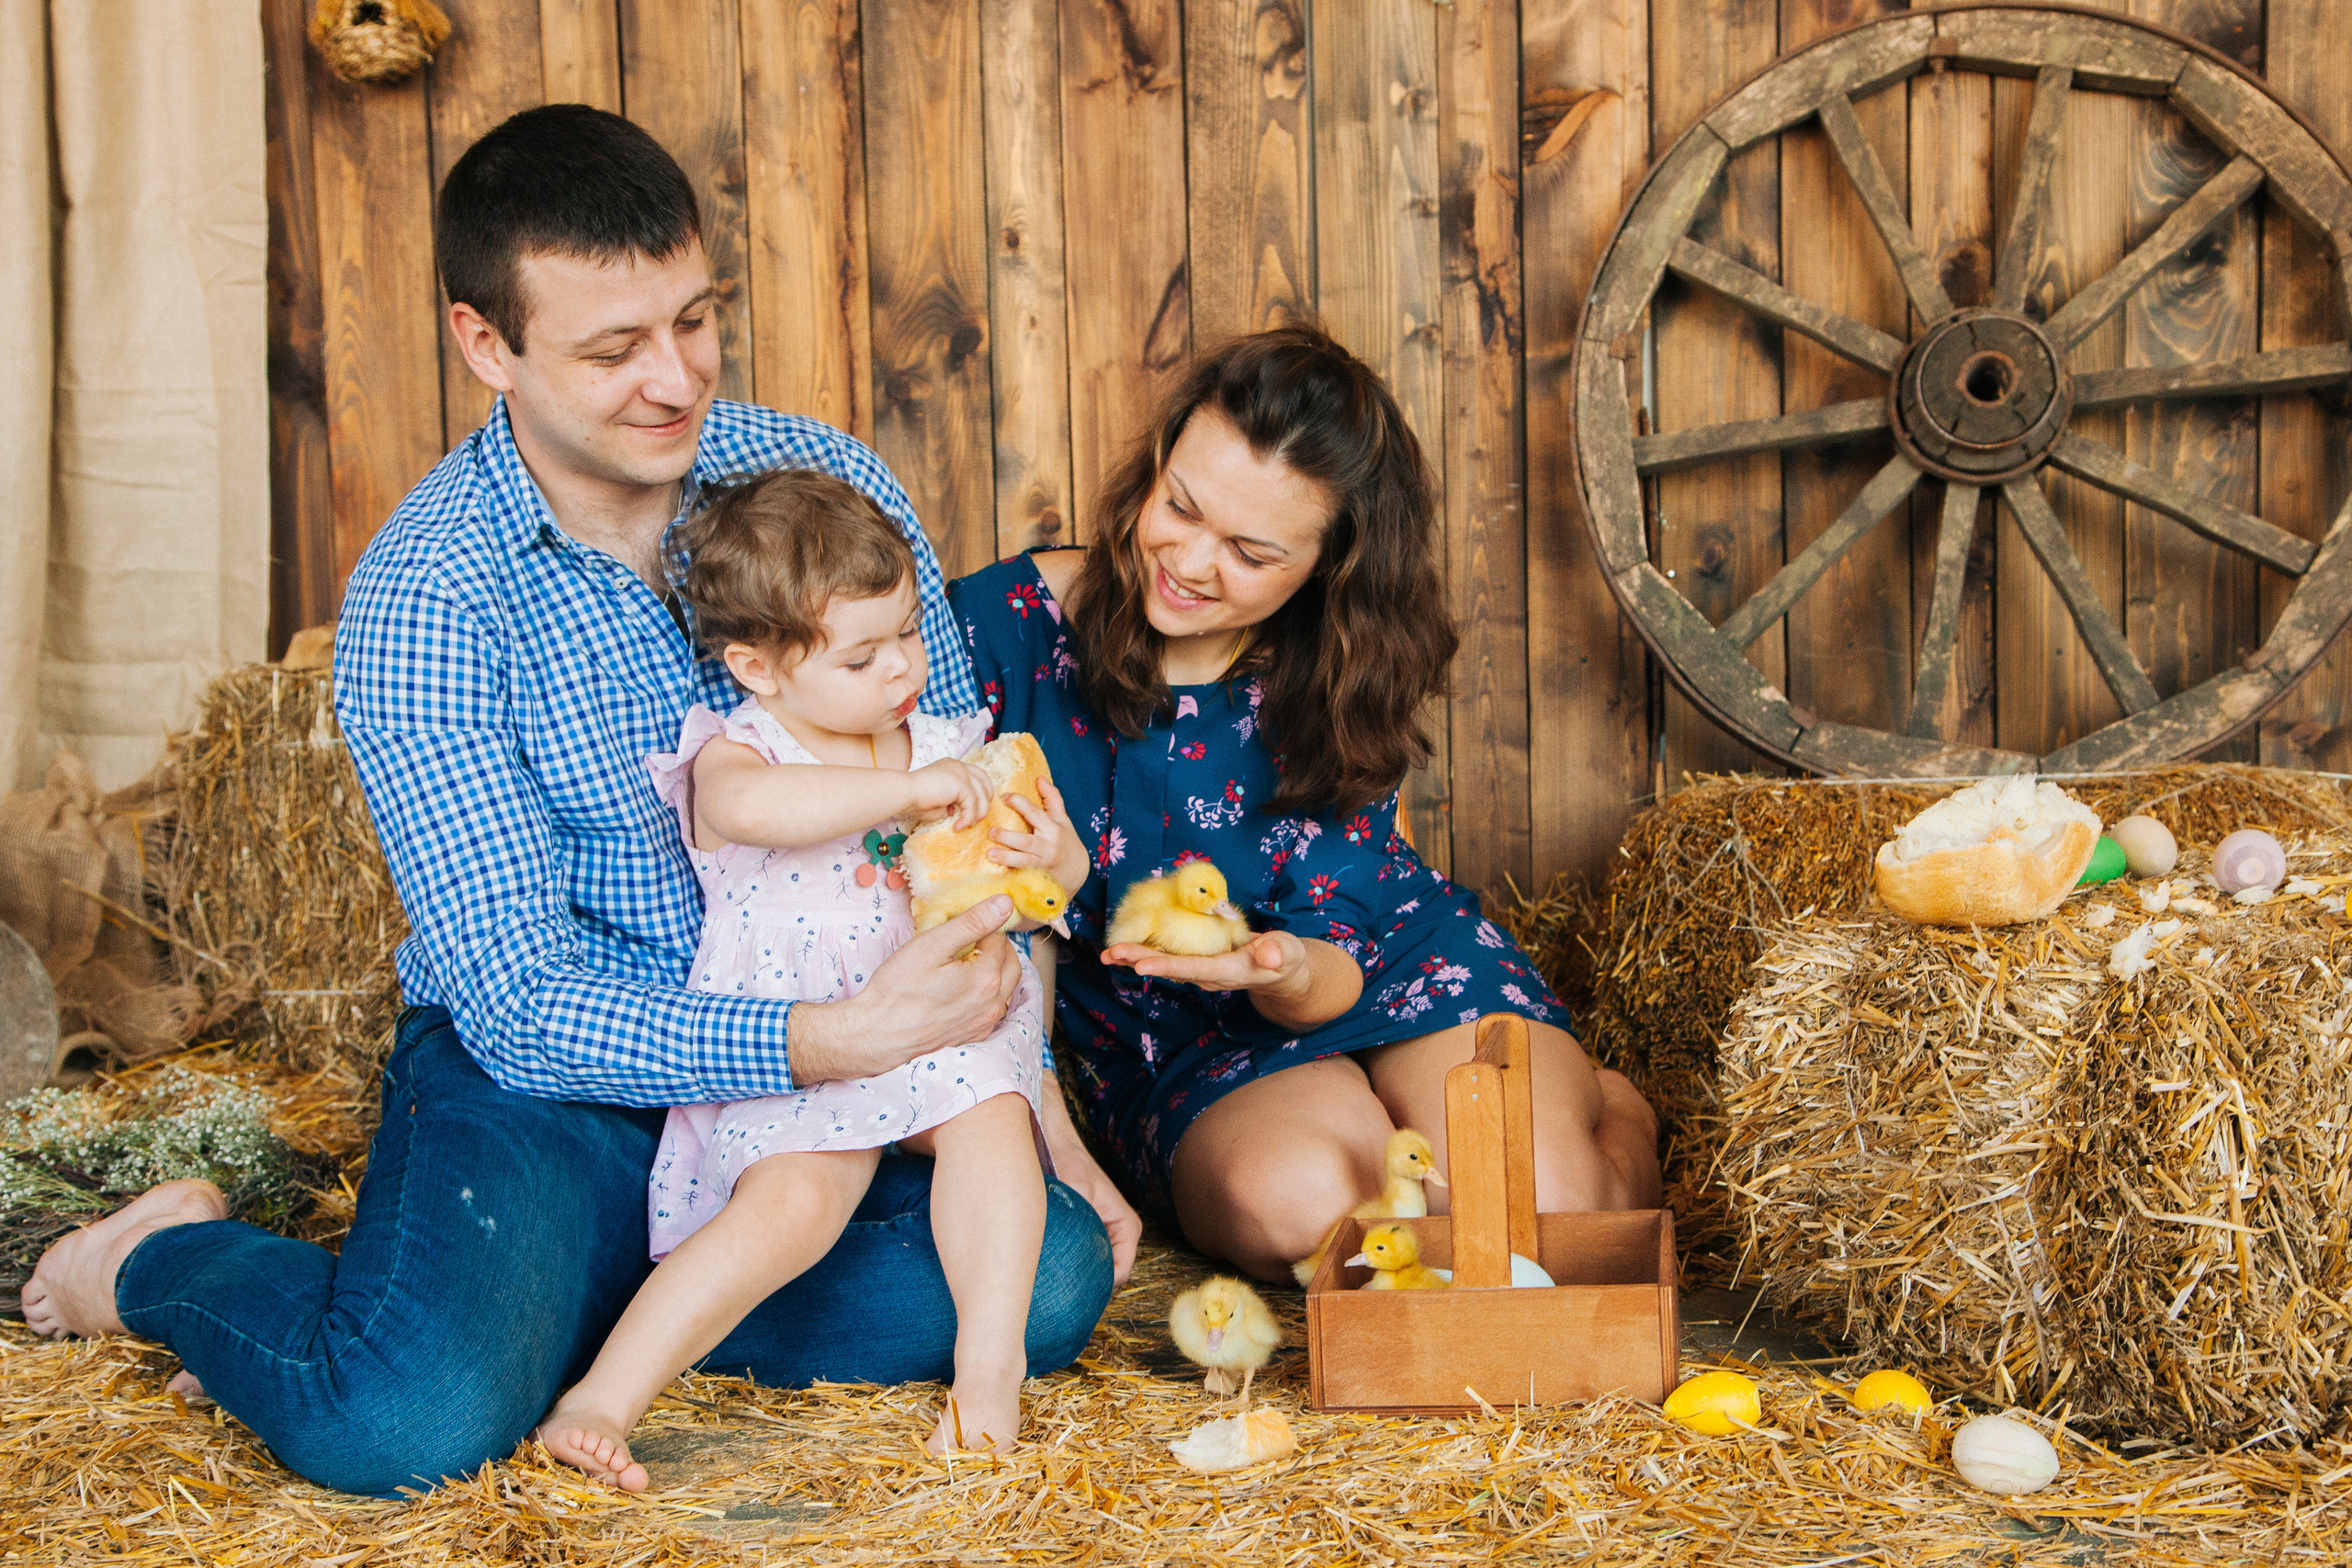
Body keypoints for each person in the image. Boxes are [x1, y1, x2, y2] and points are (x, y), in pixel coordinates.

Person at [20, 105, 1136, 1497]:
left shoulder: (831, 480)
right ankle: (163, 1255)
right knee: (401, 1423)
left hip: (842, 1076)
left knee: (1050, 1287)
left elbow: (964, 816)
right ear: (487, 344)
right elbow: (516, 992)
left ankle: (555, 1315)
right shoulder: (430, 595)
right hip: (560, 1078)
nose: (674, 380)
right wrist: (822, 1039)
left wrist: (1038, 1094)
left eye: (695, 319)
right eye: (612, 350)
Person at [950, 324, 1661, 1283]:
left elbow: (1339, 959)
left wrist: (1276, 968)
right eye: (1180, 505)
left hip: (1370, 963)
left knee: (1549, 1223)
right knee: (1331, 1219)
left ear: (1332, 565)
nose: (1191, 563)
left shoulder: (1339, 669)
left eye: (1249, 551)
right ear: (1159, 463)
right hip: (1180, 1033)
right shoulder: (1002, 629)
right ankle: (1435, 1120)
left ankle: (1606, 1114)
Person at [537, 468, 1090, 1486]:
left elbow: (1053, 884)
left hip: (946, 1020)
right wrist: (910, 790)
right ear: (757, 666)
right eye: (861, 655)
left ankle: (987, 1374)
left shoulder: (949, 741)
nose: (901, 671)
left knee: (991, 1124)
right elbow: (756, 815)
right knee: (789, 1208)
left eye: (911, 635)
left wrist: (1053, 857)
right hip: (808, 1033)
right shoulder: (740, 754)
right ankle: (603, 1397)